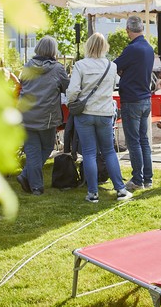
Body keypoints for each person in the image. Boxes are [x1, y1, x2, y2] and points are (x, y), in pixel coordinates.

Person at [66, 33, 132, 203]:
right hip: (105, 113)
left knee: (89, 153)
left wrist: (73, 102)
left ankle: (93, 193)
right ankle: (120, 189)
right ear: (105, 47)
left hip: (85, 113)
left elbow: (72, 91)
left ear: (88, 46)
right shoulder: (112, 66)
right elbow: (114, 85)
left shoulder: (80, 65)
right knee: (109, 151)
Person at [16, 36, 70, 195]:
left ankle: (33, 183)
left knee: (32, 151)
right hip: (47, 117)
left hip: (26, 115)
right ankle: (33, 183)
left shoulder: (26, 67)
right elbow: (68, 88)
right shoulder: (57, 69)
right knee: (46, 147)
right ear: (53, 50)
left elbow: (22, 86)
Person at [114, 16, 155, 191]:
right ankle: (147, 178)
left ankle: (137, 180)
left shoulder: (132, 49)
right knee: (143, 140)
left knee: (133, 141)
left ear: (128, 30)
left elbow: (114, 66)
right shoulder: (148, 48)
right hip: (145, 98)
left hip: (132, 99)